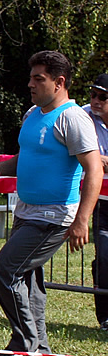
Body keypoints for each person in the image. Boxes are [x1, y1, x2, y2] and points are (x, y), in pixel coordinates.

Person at [0, 50, 103, 356]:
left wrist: (82, 220)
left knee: (4, 271)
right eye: (31, 77)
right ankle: (42, 350)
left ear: (59, 82)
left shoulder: (73, 118)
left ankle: (24, 343)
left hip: (53, 216)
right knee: (28, 281)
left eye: (39, 79)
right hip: (26, 211)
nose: (31, 84)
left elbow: (93, 170)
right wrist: (2, 167)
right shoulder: (33, 114)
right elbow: (29, 155)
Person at [83, 73, 108, 331]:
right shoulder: (84, 116)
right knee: (104, 259)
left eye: (103, 96)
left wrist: (99, 159)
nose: (96, 100)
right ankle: (105, 317)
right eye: (93, 94)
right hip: (101, 203)